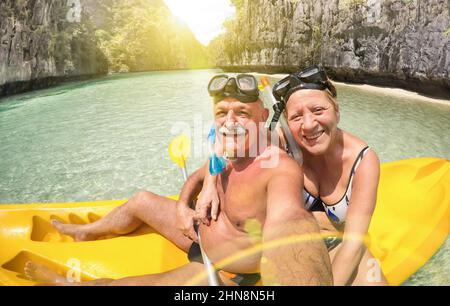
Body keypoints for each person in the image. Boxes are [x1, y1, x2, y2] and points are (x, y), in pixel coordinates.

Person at [24, 74, 332, 286]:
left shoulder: (278, 167)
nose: (230, 121)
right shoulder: (229, 144)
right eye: (222, 112)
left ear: (262, 116)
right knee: (142, 199)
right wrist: (185, 207)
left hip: (225, 269)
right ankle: (86, 233)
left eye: (242, 112)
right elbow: (201, 173)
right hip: (199, 231)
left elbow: (289, 220)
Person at [196, 66, 388, 286]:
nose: (308, 124)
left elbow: (353, 243)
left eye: (318, 110)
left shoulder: (363, 161)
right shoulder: (286, 140)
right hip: (292, 248)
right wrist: (210, 183)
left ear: (336, 110)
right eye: (296, 117)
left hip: (339, 246)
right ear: (287, 121)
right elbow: (229, 138)